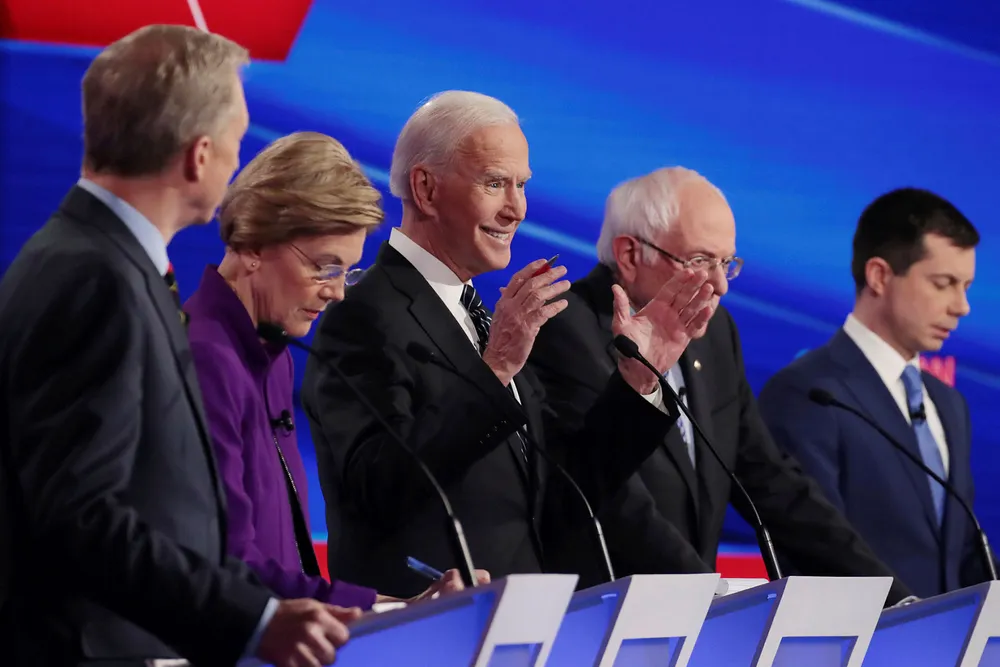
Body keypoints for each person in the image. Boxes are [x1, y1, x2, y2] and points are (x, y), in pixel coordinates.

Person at [0, 26, 359, 667]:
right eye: (237, 140)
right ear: (199, 155)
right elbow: (80, 515)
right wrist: (252, 618)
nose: (237, 163)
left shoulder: (98, 261)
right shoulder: (96, 277)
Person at [301, 91, 714, 598]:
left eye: (522, 185)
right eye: (495, 183)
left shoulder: (478, 315)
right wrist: (494, 369)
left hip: (518, 621)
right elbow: (378, 488)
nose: (516, 209)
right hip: (429, 626)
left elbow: (565, 488)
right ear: (426, 189)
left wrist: (637, 382)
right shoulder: (363, 315)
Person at [528, 167, 912, 604]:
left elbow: (772, 483)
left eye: (727, 262)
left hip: (692, 616)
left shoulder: (714, 334)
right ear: (631, 255)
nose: (721, 284)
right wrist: (711, 598)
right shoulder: (565, 328)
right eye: (700, 261)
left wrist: (893, 598)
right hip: (603, 614)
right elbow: (615, 498)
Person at [185, 130, 488, 609]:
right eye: (325, 268)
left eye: (347, 272)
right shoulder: (205, 358)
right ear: (253, 244)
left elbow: (285, 565)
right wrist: (389, 610)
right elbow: (231, 565)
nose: (337, 292)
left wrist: (404, 607)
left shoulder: (274, 354)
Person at [758, 188, 987, 598]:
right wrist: (907, 615)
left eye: (966, 286)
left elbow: (966, 555)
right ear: (879, 276)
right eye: (944, 284)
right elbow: (816, 549)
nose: (961, 306)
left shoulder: (949, 404)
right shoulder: (808, 393)